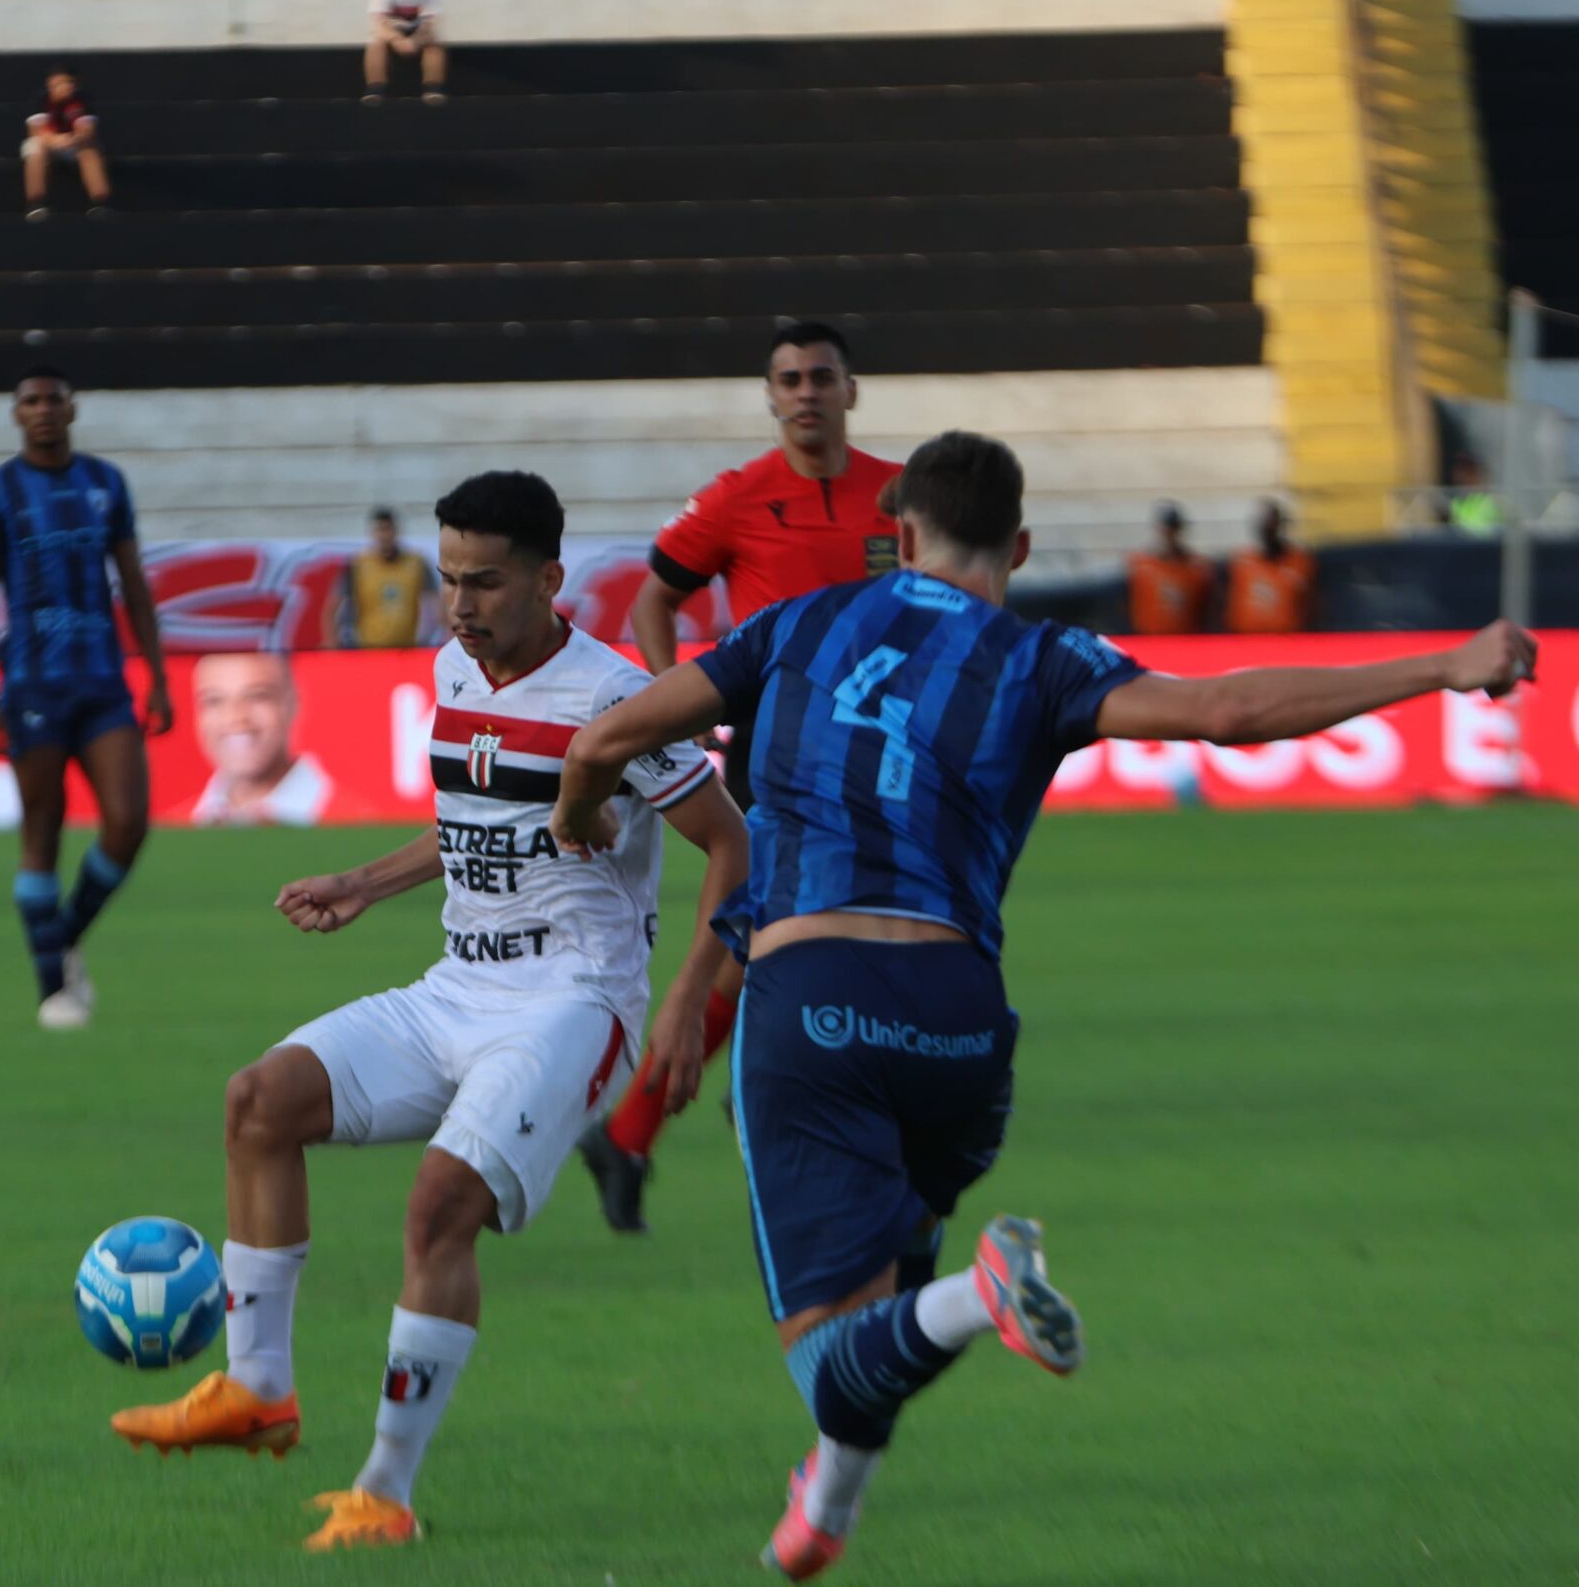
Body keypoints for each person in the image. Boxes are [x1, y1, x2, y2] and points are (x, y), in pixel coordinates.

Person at [551, 430, 1536, 1580]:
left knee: (835, 1353)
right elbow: (1226, 713)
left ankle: (986, 1292)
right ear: (1017, 545)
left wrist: (579, 812)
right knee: (885, 1311)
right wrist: (1440, 666)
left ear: (898, 536)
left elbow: (609, 736)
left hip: (811, 1000)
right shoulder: (1046, 656)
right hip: (960, 1021)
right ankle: (827, 1499)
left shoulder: (800, 625)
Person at [109, 472, 747, 1552]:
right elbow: (471, 820)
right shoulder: (454, 665)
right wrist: (366, 881)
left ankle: (385, 1494)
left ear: (550, 579)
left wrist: (689, 999)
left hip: (572, 1005)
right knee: (259, 1101)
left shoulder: (617, 699)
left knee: (438, 1204)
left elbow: (731, 845)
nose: (458, 603)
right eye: (449, 579)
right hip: (456, 985)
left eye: (485, 582)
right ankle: (258, 1388)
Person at [582, 321, 902, 1234]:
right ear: (770, 397)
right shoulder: (735, 499)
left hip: (879, 746)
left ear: (851, 389)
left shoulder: (899, 495)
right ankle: (777, 1083)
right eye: (789, 379)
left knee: (768, 942)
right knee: (779, 932)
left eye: (821, 376)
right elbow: (655, 598)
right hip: (776, 743)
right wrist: (671, 698)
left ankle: (642, 1126)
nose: (806, 392)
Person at [0, 366, 175, 1029]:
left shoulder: (106, 483)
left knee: (129, 821)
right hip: (31, 685)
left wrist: (160, 676)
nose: (45, 409)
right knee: (42, 831)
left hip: (102, 682)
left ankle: (67, 930)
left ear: (73, 408)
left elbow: (134, 586)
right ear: (16, 414)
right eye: (31, 400)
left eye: (55, 399)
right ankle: (54, 988)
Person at [190, 652, 331, 825]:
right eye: (214, 700)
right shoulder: (173, 828)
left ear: (293, 703)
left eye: (257, 696)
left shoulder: (354, 817)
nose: (235, 718)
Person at [328, 506, 439, 649]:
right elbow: (333, 607)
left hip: (408, 649)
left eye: (388, 529)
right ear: (373, 533)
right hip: (368, 649)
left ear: (396, 531)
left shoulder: (416, 563)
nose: (385, 535)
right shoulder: (358, 564)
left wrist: (434, 638)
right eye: (380, 530)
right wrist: (333, 641)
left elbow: (436, 606)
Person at [23, 69, 112, 222]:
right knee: (35, 150)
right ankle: (35, 203)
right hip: (47, 143)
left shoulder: (82, 99)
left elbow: (87, 130)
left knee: (89, 149)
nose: (65, 87)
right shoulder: (41, 99)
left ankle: (100, 202)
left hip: (73, 143)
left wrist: (71, 139)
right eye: (59, 83)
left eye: (68, 83)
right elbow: (36, 132)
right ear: (50, 85)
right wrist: (55, 140)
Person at [1223, 499, 1315, 635]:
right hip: (1246, 638)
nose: (1267, 530)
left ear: (1280, 525)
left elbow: (1310, 602)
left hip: (1286, 638)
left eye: (1271, 524)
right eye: (1262, 525)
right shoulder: (1241, 561)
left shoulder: (1300, 561)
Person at [365, 0, 447, 105]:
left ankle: (433, 88)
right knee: (375, 40)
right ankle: (375, 88)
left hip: (417, 31)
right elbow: (379, 23)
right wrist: (397, 40)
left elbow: (430, 23)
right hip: (392, 31)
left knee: (434, 41)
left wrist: (415, 41)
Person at [1126, 502, 1214, 635]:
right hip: (1147, 638)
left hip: (1186, 639)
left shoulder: (1196, 567)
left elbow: (1206, 609)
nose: (1168, 535)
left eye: (1172, 529)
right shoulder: (1140, 565)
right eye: (1165, 529)